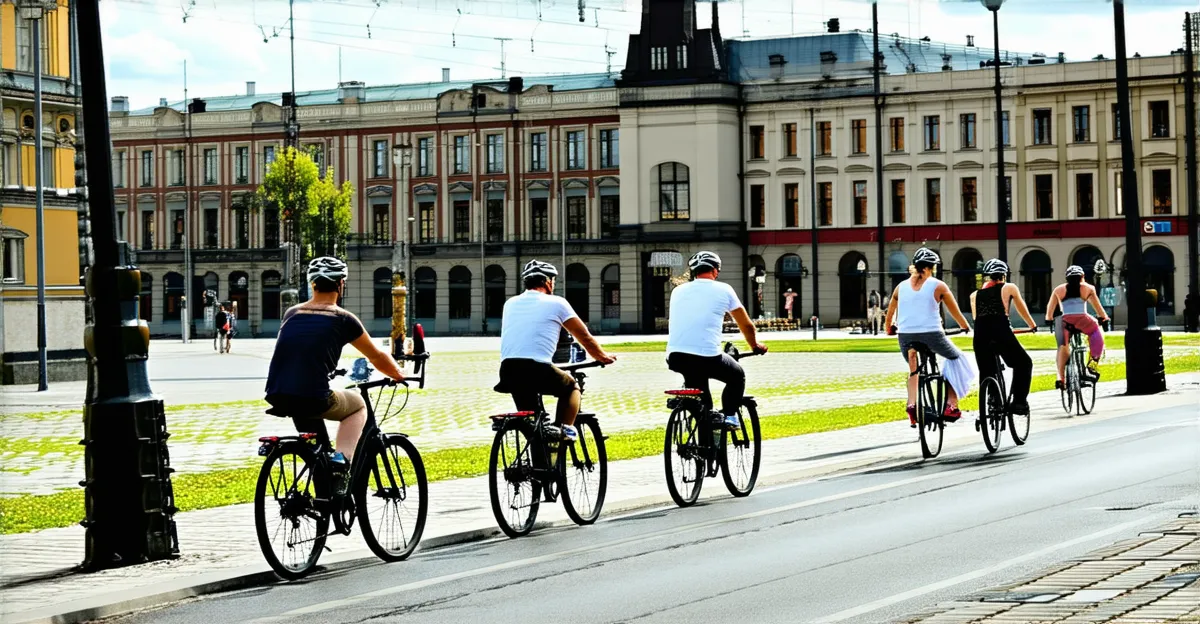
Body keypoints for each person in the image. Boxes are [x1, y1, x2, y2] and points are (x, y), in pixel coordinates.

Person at [264, 257, 404, 461]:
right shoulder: (343, 318)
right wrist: (399, 374)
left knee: (317, 454)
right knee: (358, 405)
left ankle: (325, 484)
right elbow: (376, 356)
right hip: (313, 396)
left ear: (312, 284)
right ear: (341, 284)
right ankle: (342, 460)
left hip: (279, 393)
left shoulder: (292, 313)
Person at [496, 260, 615, 442]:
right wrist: (602, 357)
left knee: (534, 426)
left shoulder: (510, 303)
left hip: (508, 370)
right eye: (553, 279)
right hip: (536, 369)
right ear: (546, 281)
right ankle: (564, 431)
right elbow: (584, 336)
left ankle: (539, 467)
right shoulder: (557, 303)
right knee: (572, 387)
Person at [667, 251, 767, 429]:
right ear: (715, 270)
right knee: (737, 376)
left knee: (702, 404)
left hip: (676, 357)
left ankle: (702, 444)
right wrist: (754, 345)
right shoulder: (724, 289)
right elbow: (746, 325)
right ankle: (729, 416)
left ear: (693, 271)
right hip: (708, 357)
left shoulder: (677, 291)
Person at [883, 247, 975, 426]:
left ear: (914, 266)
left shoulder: (900, 287)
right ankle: (951, 404)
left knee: (914, 367)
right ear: (931, 267)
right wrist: (965, 326)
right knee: (956, 358)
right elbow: (954, 311)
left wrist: (889, 328)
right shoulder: (938, 285)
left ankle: (912, 404)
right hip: (932, 334)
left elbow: (890, 314)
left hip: (905, 335)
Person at [970, 259, 1038, 415]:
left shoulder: (974, 295)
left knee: (987, 371)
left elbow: (976, 318)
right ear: (1003, 275)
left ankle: (992, 400)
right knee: (1024, 363)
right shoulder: (1008, 287)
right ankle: (1019, 403)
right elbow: (1021, 308)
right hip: (1000, 331)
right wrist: (1032, 325)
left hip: (980, 335)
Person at [1046, 265, 1109, 385]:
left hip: (1064, 321)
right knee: (1095, 330)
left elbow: (1050, 307)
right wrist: (1104, 319)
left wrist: (1049, 319)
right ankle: (1092, 364)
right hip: (1082, 320)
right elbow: (1098, 308)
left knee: (1062, 346)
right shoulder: (1088, 288)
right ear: (1083, 277)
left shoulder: (1059, 289)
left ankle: (1061, 378)